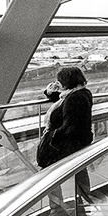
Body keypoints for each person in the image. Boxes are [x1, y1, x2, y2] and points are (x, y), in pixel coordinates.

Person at [37, 66, 94, 204]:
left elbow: (69, 125)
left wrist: (52, 136)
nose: (58, 84)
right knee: (79, 170)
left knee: (49, 171)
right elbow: (63, 103)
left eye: (59, 81)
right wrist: (50, 93)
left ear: (66, 82)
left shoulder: (74, 98)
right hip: (78, 141)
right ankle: (84, 199)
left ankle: (57, 207)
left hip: (69, 144)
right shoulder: (80, 93)